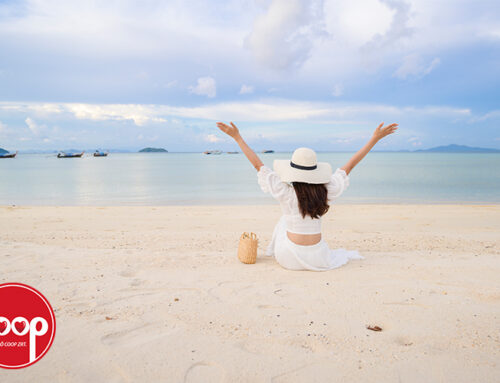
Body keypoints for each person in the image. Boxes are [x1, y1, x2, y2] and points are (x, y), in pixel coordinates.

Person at [216, 121, 398, 271]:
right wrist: (375, 139)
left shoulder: (285, 193)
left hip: (289, 258)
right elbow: (350, 165)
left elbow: (258, 165)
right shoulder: (326, 192)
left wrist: (237, 137)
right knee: (287, 220)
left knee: (283, 221)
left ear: (292, 170)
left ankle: (272, 251)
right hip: (318, 257)